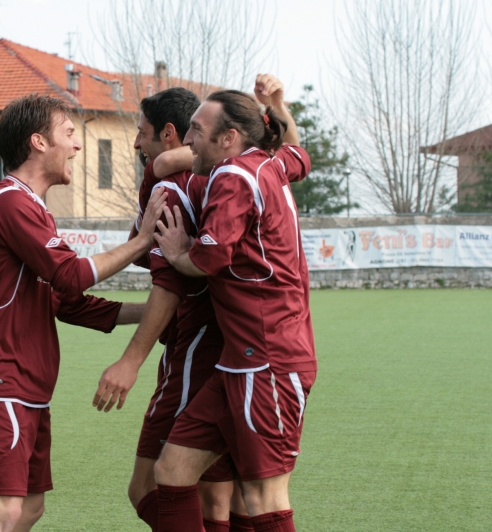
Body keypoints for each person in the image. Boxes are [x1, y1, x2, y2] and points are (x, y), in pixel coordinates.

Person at [0, 94, 167, 532]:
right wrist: (142, 242)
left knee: (29, 509)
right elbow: (70, 275)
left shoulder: (33, 209)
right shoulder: (8, 201)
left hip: (27, 385)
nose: (78, 146)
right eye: (69, 133)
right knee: (5, 511)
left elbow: (66, 303)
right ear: (38, 142)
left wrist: (156, 313)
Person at [151, 75, 314, 532]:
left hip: (267, 362)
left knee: (263, 496)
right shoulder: (269, 163)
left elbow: (208, 258)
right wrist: (279, 105)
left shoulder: (233, 175)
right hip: (238, 363)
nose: (188, 139)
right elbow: (300, 154)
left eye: (197, 131)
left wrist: (180, 252)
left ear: (230, 138)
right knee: (173, 470)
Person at [92, 87, 246, 532]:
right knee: (219, 495)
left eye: (141, 134)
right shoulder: (221, 176)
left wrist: (129, 360)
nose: (137, 144)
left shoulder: (171, 188)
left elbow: (169, 282)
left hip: (195, 349)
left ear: (169, 132)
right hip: (240, 348)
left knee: (147, 486)